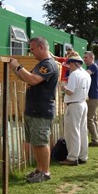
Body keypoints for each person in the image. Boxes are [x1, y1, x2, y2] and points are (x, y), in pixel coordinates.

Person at [9, 37, 59, 183]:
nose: (31, 53)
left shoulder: (48, 65)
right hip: (33, 109)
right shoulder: (41, 64)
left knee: (41, 142)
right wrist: (14, 67)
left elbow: (33, 79)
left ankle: (46, 172)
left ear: (42, 47)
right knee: (35, 142)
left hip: (41, 110)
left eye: (32, 49)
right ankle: (39, 169)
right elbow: (26, 78)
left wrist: (18, 66)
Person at [60, 54, 91, 165]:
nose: (69, 67)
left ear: (73, 63)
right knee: (82, 131)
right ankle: (83, 156)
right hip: (83, 103)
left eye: (69, 64)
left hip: (74, 104)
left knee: (72, 132)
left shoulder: (74, 74)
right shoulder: (86, 74)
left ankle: (72, 157)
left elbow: (70, 91)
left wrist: (63, 88)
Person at [84, 51, 98, 147]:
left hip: (93, 97)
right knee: (94, 118)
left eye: (86, 57)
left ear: (92, 58)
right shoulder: (91, 67)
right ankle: (96, 138)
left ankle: (95, 140)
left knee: (89, 118)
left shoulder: (93, 67)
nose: (84, 59)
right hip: (95, 96)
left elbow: (85, 75)